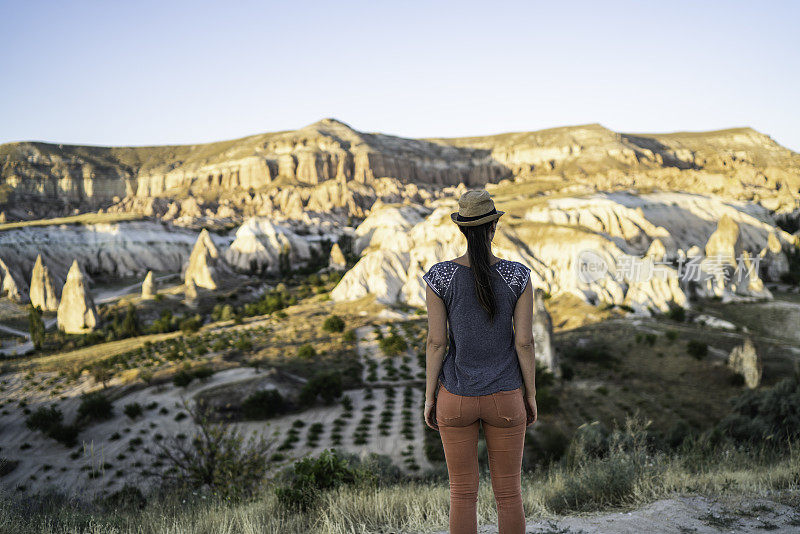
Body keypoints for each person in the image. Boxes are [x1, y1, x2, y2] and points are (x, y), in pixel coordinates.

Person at [422, 189, 537, 534]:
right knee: (508, 494)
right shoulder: (518, 276)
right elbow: (525, 342)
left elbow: (436, 342)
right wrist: (529, 395)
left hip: (455, 398)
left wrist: (430, 398)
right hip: (506, 396)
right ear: (493, 227)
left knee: (461, 494)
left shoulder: (439, 277)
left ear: (461, 229)